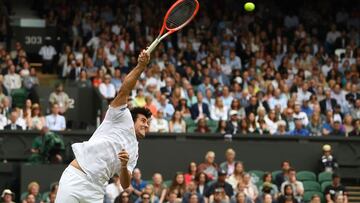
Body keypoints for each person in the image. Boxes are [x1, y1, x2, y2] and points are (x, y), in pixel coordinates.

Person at [55, 50, 152, 202]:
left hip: (96, 190)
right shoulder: (121, 116)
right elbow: (124, 90)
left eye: (148, 123)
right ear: (133, 119)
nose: (146, 125)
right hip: (76, 178)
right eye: (143, 120)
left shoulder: (135, 151)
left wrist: (124, 166)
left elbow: (125, 184)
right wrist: (140, 66)